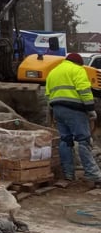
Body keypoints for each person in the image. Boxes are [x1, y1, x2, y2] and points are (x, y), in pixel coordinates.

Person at [45, 52, 101, 184]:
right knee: (83, 140)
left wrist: (53, 112)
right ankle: (92, 174)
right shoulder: (78, 70)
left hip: (57, 109)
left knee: (65, 140)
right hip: (74, 109)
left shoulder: (53, 72)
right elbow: (84, 90)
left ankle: (68, 174)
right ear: (78, 63)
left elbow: (48, 93)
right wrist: (90, 109)